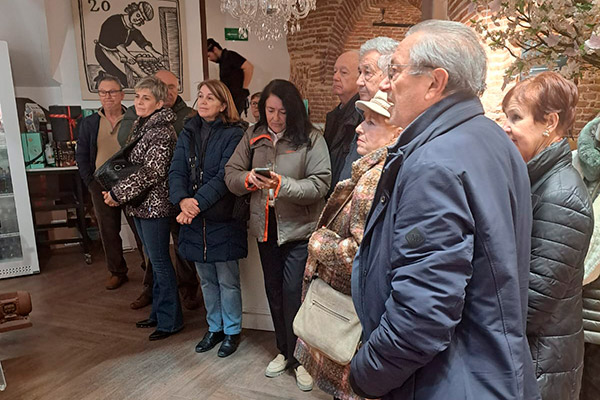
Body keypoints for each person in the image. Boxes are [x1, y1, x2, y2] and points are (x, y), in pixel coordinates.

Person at [349, 20, 540, 400]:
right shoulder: (491, 137)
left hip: (447, 381)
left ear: (435, 82)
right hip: (492, 369)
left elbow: (422, 315)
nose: (386, 84)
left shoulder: (433, 163)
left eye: (396, 71)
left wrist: (363, 374)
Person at [225, 79, 331, 392]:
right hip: (266, 228)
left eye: (282, 112)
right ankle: (284, 351)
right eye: (270, 110)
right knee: (273, 291)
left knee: (292, 294)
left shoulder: (311, 138)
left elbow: (320, 185)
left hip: (299, 231)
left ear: (294, 111)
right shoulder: (252, 135)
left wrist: (281, 184)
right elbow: (231, 174)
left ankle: (301, 359)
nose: (275, 118)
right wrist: (248, 179)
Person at [294, 90, 401, 400]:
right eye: (362, 120)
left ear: (397, 130)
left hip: (349, 308)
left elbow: (358, 252)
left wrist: (318, 242)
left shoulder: (374, 177)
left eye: (371, 122)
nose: (358, 128)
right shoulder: (382, 168)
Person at [502, 71, 593, 400]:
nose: (506, 127)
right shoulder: (536, 179)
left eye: (516, 117)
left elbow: (532, 305)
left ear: (549, 122)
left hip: (540, 369)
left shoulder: (561, 196)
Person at [169, 80, 247, 358]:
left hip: (221, 218)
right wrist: (181, 200)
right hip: (193, 219)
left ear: (223, 105)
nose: (202, 102)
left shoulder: (235, 134)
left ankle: (232, 331)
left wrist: (195, 205)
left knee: (227, 280)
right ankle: (214, 327)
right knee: (206, 281)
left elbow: (225, 177)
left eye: (210, 98)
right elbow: (176, 170)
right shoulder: (188, 131)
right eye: (200, 96)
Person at [104, 76, 183, 341]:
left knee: (160, 263)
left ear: (160, 102)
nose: (139, 102)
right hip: (140, 205)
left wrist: (118, 193)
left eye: (146, 98)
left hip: (156, 206)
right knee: (154, 262)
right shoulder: (143, 124)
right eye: (137, 97)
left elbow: (152, 172)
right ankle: (159, 314)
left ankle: (171, 321)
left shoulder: (161, 131)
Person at [118, 69, 200, 311]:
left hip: (171, 195)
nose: (167, 90)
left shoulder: (185, 117)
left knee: (179, 248)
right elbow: (127, 147)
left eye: (172, 86)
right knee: (155, 255)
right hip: (144, 198)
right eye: (138, 96)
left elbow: (157, 169)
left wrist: (119, 193)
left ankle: (182, 296)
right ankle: (156, 298)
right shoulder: (138, 120)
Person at [76, 75, 145, 290]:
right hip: (101, 184)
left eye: (113, 92)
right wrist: (91, 182)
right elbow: (82, 155)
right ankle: (117, 271)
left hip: (131, 183)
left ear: (122, 94)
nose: (108, 96)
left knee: (140, 228)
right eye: (103, 92)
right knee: (108, 230)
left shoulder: (135, 119)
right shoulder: (89, 123)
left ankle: (149, 267)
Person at [335, 37, 399, 184]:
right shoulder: (358, 112)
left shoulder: (397, 118)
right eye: (359, 72)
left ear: (389, 76)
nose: (359, 81)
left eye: (367, 73)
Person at [94, 1, 163, 87]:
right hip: (103, 51)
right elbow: (117, 43)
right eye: (138, 15)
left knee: (137, 74)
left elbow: (143, 42)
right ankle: (103, 77)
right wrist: (128, 55)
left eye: (141, 19)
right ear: (133, 10)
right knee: (125, 79)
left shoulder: (133, 31)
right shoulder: (114, 21)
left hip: (119, 52)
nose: (138, 19)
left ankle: (150, 81)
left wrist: (155, 53)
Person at [323, 51, 360, 195]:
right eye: (334, 71)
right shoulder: (335, 115)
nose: (335, 77)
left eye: (343, 72)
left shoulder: (361, 117)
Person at [207, 38, 254, 116]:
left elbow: (249, 67)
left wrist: (244, 89)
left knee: (233, 120)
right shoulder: (223, 61)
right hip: (231, 98)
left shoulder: (230, 55)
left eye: (209, 55)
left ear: (215, 49)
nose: (210, 59)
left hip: (236, 97)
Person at [356, 37, 399, 101]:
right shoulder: (356, 107)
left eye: (367, 72)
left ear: (391, 76)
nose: (358, 82)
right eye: (360, 72)